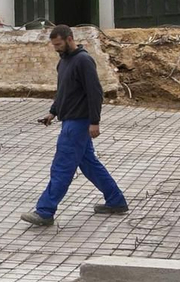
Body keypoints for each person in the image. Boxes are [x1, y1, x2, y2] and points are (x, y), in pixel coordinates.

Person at [20, 26, 128, 225]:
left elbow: (95, 93)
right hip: (68, 120)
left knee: (61, 167)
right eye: (54, 45)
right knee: (89, 165)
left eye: (59, 44)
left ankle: (44, 211)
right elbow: (63, 92)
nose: (56, 49)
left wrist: (95, 122)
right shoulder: (64, 62)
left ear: (70, 39)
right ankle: (116, 201)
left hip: (78, 123)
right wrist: (52, 112)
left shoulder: (83, 61)